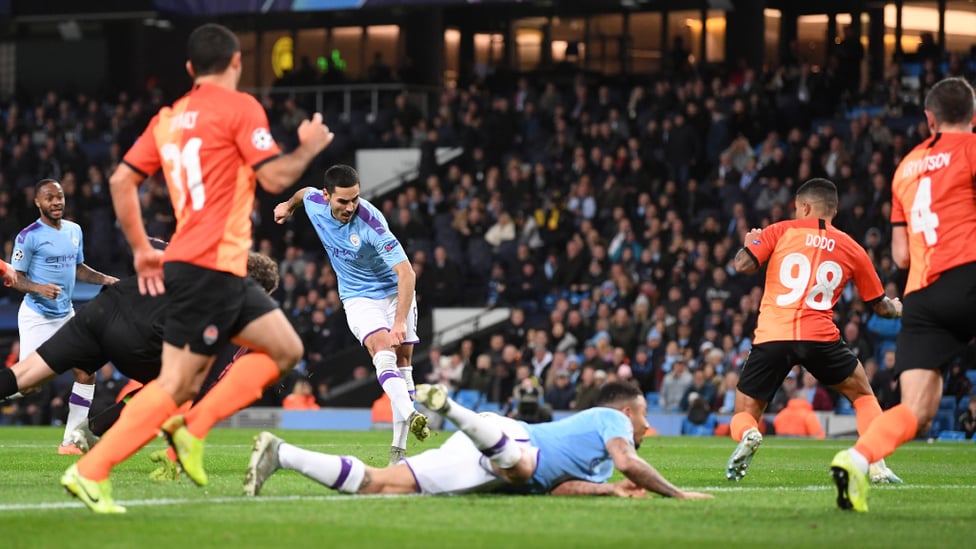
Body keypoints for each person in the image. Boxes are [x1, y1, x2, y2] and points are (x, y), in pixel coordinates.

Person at [60, 23, 334, 514]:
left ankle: (190, 427)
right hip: (210, 266)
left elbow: (122, 181)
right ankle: (91, 469)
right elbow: (274, 177)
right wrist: (310, 145)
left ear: (189, 69)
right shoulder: (241, 107)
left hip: (208, 264)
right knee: (177, 385)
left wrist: (142, 248)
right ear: (236, 63)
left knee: (285, 348)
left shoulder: (170, 116)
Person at [831, 77, 976, 512]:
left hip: (923, 295)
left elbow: (899, 252)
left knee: (917, 410)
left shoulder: (905, 167)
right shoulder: (971, 150)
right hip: (969, 274)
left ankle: (856, 458)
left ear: (929, 119)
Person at [0, 250, 280, 453]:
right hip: (139, 337)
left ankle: (85, 435)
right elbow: (213, 381)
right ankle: (89, 433)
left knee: (26, 375)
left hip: (105, 307)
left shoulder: (201, 260)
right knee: (175, 385)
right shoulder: (236, 306)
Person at [244, 382, 712, 500]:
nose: (646, 428)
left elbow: (559, 486)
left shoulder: (601, 461)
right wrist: (676, 493)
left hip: (486, 458)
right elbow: (630, 463)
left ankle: (281, 453)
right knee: (523, 467)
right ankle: (449, 409)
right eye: (644, 418)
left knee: (379, 485)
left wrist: (607, 490)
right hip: (507, 439)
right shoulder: (612, 419)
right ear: (627, 412)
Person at [725, 178, 903, 484]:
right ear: (832, 210)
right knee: (863, 395)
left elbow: (743, 265)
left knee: (745, 411)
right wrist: (897, 308)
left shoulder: (779, 231)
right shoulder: (853, 247)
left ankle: (750, 433)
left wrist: (750, 242)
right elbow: (881, 306)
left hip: (773, 335)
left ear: (805, 206)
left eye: (797, 208)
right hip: (819, 336)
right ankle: (877, 466)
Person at [273, 164, 428, 466]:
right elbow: (303, 193)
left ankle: (398, 451)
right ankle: (411, 413)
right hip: (358, 296)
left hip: (395, 291)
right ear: (327, 195)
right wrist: (287, 207)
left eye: (355, 199)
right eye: (343, 201)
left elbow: (407, 274)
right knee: (382, 349)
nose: (350, 207)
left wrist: (399, 320)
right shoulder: (314, 203)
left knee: (404, 362)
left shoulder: (370, 223)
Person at [10, 178, 119, 454]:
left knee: (86, 372)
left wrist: (106, 279)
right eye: (49, 198)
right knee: (30, 386)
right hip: (37, 316)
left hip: (66, 315)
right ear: (37, 202)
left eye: (59, 197)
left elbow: (78, 268)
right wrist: (38, 288)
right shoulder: (28, 236)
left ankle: (71, 441)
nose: (56, 202)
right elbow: (15, 278)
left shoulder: (74, 230)